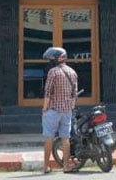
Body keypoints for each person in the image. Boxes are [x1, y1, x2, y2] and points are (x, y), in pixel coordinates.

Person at [41, 46, 78, 174]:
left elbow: (47, 93)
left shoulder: (53, 72)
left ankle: (46, 166)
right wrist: (70, 108)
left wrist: (44, 109)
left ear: (58, 59)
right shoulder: (73, 72)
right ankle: (66, 166)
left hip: (53, 110)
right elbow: (74, 95)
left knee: (49, 137)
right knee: (65, 138)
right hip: (67, 111)